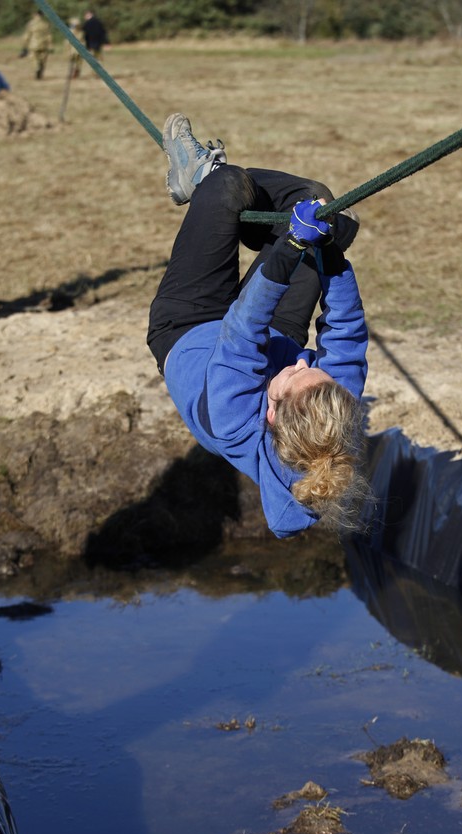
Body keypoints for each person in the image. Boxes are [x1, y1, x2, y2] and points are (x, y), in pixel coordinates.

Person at [148, 114, 370, 539]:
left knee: (227, 184)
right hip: (273, 337)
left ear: (270, 412)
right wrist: (331, 256)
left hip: (190, 325)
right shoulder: (332, 410)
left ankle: (203, 183)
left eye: (298, 373)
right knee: (320, 202)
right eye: (315, 367)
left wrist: (290, 250)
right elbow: (346, 331)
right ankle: (261, 224)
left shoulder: (233, 422)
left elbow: (244, 330)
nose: (307, 362)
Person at [19, 10, 53, 80]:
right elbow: (49, 36)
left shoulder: (31, 24)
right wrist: (50, 45)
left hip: (34, 44)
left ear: (35, 15)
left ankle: (37, 68)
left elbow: (27, 35)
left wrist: (24, 46)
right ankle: (40, 69)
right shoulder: (45, 24)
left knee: (33, 58)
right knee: (42, 59)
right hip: (44, 45)